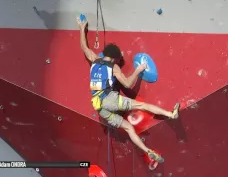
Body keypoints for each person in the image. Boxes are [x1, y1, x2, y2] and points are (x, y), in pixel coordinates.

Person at [77, 17, 180, 163]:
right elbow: (127, 84)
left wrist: (82, 28)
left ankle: (148, 151)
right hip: (109, 99)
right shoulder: (113, 67)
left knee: (129, 129)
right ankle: (171, 113)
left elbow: (84, 47)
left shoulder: (94, 59)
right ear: (114, 58)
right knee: (142, 106)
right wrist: (138, 69)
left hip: (99, 107)